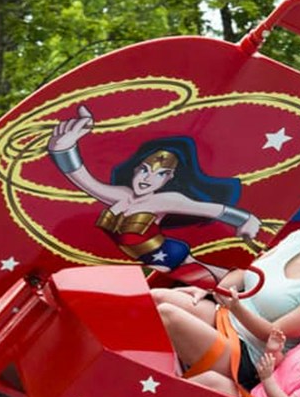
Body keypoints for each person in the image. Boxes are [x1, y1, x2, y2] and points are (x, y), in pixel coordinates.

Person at [155, 202, 300, 387]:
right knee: (155, 298)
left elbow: (273, 334)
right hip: (225, 316)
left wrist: (237, 308)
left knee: (167, 315)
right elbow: (248, 269)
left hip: (248, 355)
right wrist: (210, 289)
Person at [47, 105, 262, 288]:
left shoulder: (164, 200)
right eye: (144, 170)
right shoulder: (121, 195)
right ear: (135, 169)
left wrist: (246, 220)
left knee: (232, 288)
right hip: (146, 268)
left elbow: (211, 209)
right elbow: (85, 181)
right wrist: (64, 150)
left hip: (172, 259)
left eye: (160, 174)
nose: (148, 178)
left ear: (168, 179)